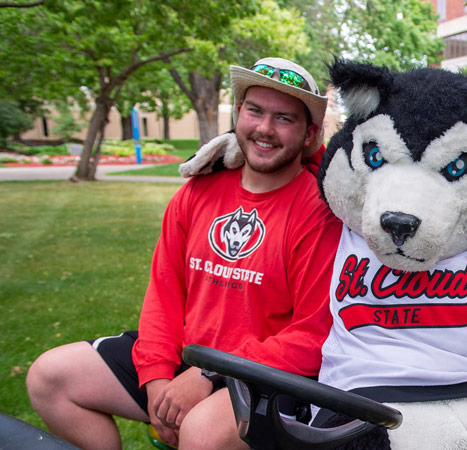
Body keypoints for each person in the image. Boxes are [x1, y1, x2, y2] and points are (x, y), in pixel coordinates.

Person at [25, 57, 342, 450]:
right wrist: (157, 380)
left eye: (284, 118)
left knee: (201, 433)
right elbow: (164, 294)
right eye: (254, 111)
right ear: (238, 113)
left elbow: (313, 335)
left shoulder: (319, 211)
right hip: (188, 356)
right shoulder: (198, 191)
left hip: (265, 374)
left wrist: (208, 375)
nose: (264, 128)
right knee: (50, 377)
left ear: (310, 133)